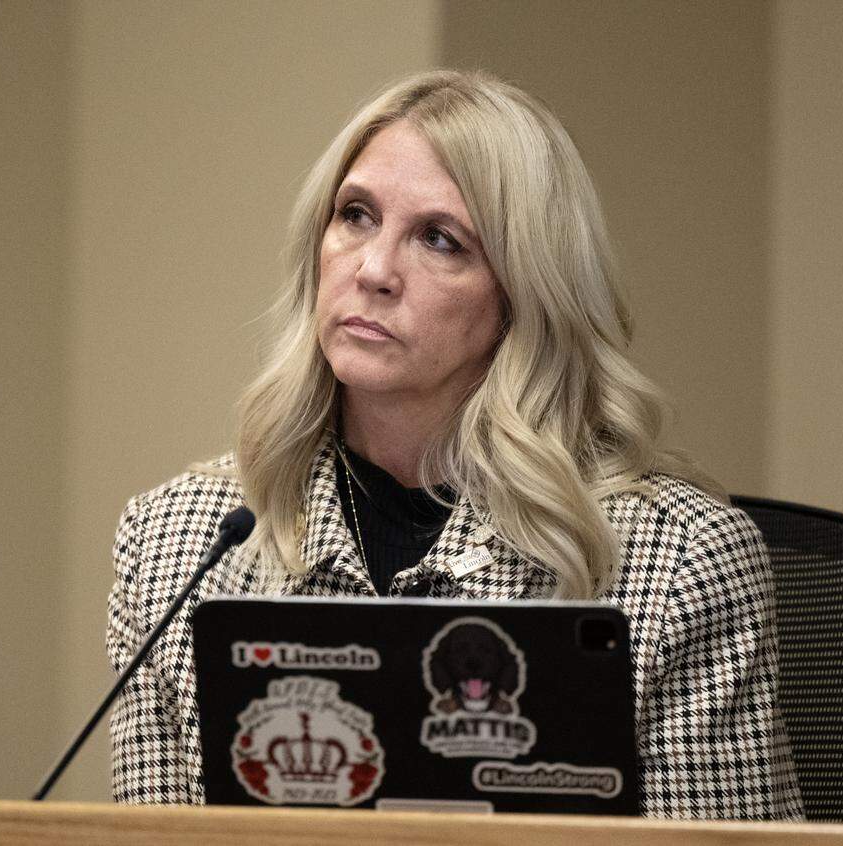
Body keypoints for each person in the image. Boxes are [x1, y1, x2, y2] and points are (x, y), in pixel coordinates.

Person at [106, 69, 803, 819]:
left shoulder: (675, 562)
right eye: (356, 215)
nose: (372, 270)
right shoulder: (175, 543)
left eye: (440, 240)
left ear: (522, 298)